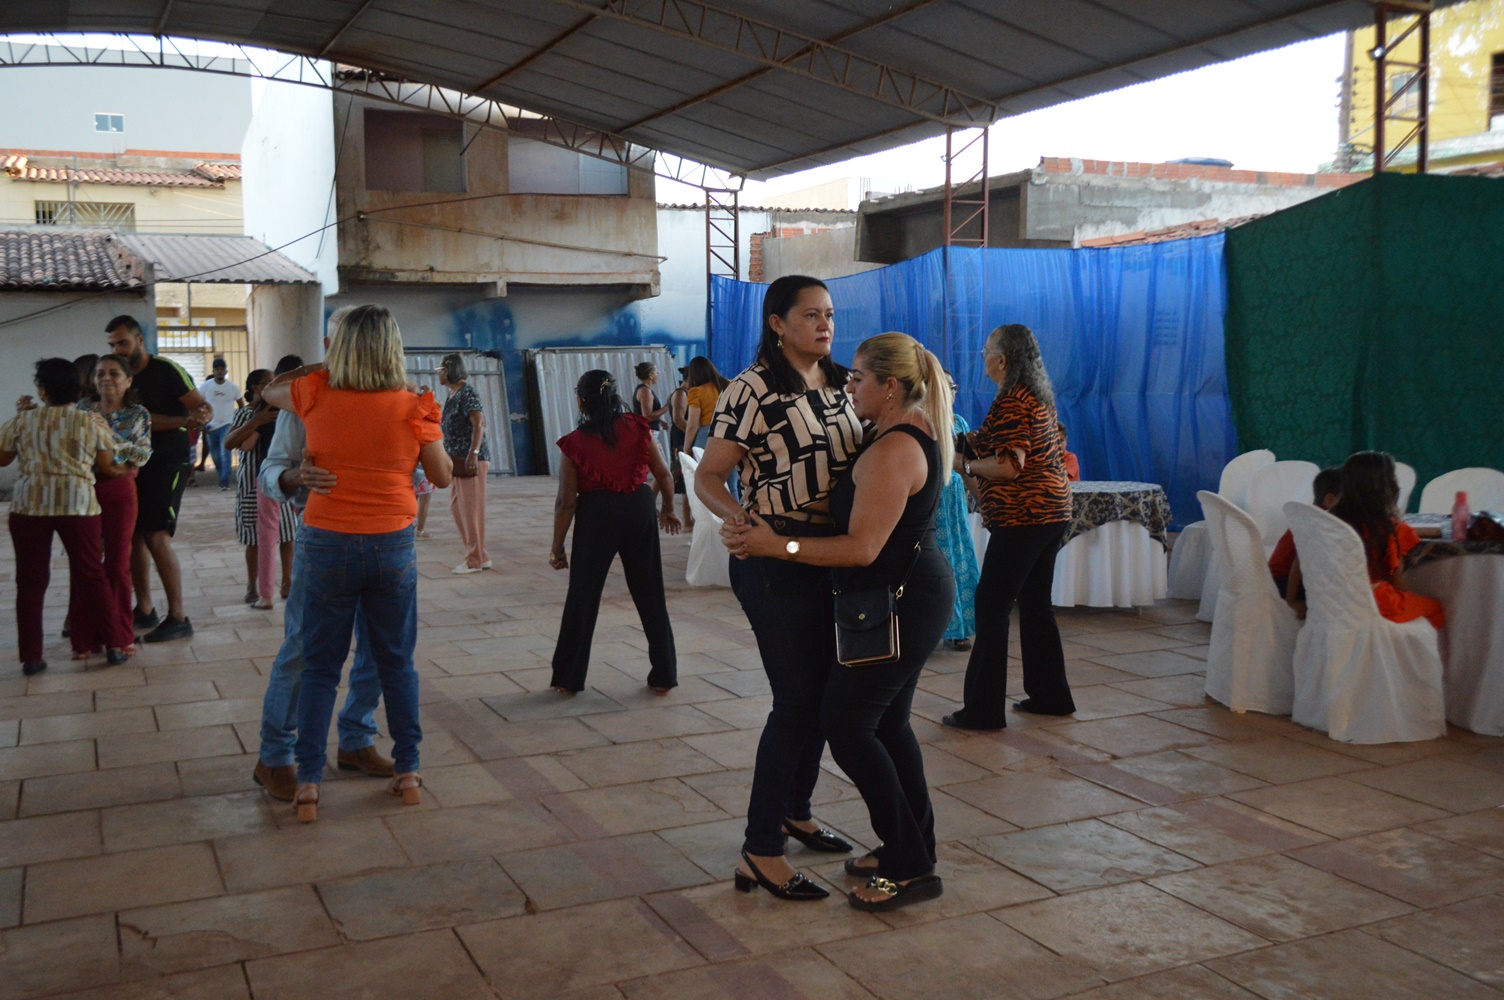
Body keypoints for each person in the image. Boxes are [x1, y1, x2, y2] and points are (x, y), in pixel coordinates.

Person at [729, 332, 953, 911]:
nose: (848, 387)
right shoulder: (898, 435)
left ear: (891, 386)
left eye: (858, 379)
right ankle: (913, 845)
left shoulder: (894, 448)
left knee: (848, 725)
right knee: (886, 726)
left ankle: (910, 865)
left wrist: (779, 546)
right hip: (905, 594)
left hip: (902, 599)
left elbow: (861, 548)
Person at [697, 275, 864, 901]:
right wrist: (739, 521)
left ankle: (797, 807)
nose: (824, 325)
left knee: (823, 695)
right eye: (810, 315)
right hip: (774, 560)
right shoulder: (751, 388)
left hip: (834, 556)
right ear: (777, 323)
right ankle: (760, 849)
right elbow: (711, 476)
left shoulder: (847, 384)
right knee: (795, 700)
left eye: (829, 314)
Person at [260, 305, 450, 821]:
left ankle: (317, 773)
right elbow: (443, 476)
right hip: (388, 541)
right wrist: (295, 478)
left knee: (331, 663)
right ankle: (402, 768)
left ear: (338, 348)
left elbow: (268, 388)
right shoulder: (416, 404)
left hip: (329, 541)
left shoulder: (312, 393)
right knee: (389, 660)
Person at [251, 309, 394, 803]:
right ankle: (275, 756)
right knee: (305, 648)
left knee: (379, 645)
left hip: (382, 541)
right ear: (332, 344)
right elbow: (272, 471)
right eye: (346, 342)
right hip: (324, 539)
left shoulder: (394, 393)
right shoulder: (306, 397)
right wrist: (296, 479)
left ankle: (356, 738)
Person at [944, 324, 1075, 730]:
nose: (982, 356)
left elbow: (1008, 466)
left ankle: (983, 711)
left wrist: (962, 465)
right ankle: (1050, 696)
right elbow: (987, 440)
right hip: (1051, 513)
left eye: (986, 350)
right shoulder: (1030, 394)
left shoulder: (1015, 400)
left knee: (992, 604)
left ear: (1002, 360)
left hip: (1026, 515)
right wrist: (946, 440)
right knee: (1036, 604)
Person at [549, 370, 681, 694]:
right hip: (639, 507)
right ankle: (664, 674)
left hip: (596, 515)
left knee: (583, 595)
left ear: (581, 400)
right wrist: (668, 510)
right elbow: (664, 475)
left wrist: (558, 546)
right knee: (651, 593)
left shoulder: (574, 443)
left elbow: (567, 501)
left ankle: (569, 679)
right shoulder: (639, 428)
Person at [2, 358, 131, 674]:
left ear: (42, 390)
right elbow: (107, 467)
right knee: (91, 575)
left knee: (30, 581)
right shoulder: (89, 422)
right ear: (78, 389)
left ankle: (31, 657)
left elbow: (3, 460)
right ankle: (114, 647)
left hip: (29, 506)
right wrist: (125, 469)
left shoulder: (21, 421)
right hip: (78, 505)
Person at [105, 315, 210, 642]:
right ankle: (145, 608)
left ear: (139, 339)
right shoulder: (118, 374)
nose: (117, 349)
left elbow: (199, 411)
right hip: (132, 464)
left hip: (167, 461)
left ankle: (178, 616)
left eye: (122, 342)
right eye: (112, 345)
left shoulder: (166, 370)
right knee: (133, 535)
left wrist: (200, 417)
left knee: (156, 535)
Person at [78, 354, 152, 657]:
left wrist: (108, 437)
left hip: (119, 492)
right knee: (87, 565)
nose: (106, 379)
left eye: (114, 373)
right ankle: (87, 637)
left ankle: (121, 633)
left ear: (128, 380)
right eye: (100, 374)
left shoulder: (137, 414)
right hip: (84, 491)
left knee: (119, 564)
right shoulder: (83, 410)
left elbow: (141, 455)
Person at [1327, 450, 1444, 629]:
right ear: (1387, 486)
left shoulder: (1330, 520)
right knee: (1435, 607)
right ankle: (1405, 654)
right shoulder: (1390, 527)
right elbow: (1398, 581)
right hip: (1374, 604)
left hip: (1333, 602)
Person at [225, 365, 299, 609]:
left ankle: (287, 583)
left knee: (287, 534)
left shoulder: (284, 410)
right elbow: (232, 443)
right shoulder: (246, 414)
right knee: (254, 538)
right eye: (268, 382)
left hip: (281, 481)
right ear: (255, 388)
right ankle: (253, 585)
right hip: (253, 481)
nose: (273, 385)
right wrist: (256, 422)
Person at [437, 354, 491, 575]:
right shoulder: (453, 394)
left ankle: (474, 560)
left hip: (470, 461)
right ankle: (481, 555)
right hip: (457, 460)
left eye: (440, 369)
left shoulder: (467, 392)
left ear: (450, 369)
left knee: (471, 511)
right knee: (457, 507)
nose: (438, 373)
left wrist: (473, 454)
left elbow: (479, 423)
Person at [938, 373, 979, 652]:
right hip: (930, 504)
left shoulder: (960, 423)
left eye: (954, 387)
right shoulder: (919, 422)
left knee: (960, 559)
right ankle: (930, 629)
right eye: (946, 387)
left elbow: (969, 469)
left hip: (954, 504)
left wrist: (984, 502)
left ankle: (959, 629)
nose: (952, 392)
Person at [1271, 466, 1341, 604]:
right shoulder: (1319, 522)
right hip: (1282, 581)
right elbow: (1299, 563)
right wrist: (1292, 602)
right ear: (1330, 500)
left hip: (1281, 578)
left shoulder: (1316, 515)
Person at [197, 357, 242, 490]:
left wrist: (239, 422)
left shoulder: (232, 387)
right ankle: (222, 472)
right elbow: (198, 403)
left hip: (227, 424)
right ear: (213, 371)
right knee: (215, 455)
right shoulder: (206, 386)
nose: (220, 372)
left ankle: (224, 481)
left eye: (222, 369)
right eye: (217, 369)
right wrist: (201, 421)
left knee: (225, 451)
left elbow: (241, 404)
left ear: (226, 371)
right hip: (211, 426)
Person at [680, 355, 729, 459]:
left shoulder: (696, 392)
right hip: (732, 433)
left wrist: (686, 448)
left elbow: (692, 425)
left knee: (704, 473)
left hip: (707, 436)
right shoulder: (731, 385)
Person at [667, 367, 692, 528]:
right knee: (685, 480)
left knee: (688, 478)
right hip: (682, 439)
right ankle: (688, 521)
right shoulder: (680, 394)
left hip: (686, 437)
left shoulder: (687, 393)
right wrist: (693, 435)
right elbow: (678, 420)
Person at [633, 361, 672, 431]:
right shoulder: (645, 391)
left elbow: (644, 413)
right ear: (651, 375)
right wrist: (667, 406)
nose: (657, 375)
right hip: (646, 432)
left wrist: (659, 421)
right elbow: (647, 417)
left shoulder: (644, 389)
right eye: (656, 373)